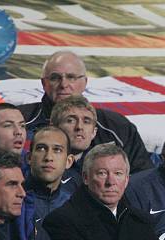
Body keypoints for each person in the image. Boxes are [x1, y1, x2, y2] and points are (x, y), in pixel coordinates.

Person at [44, 144, 160, 240]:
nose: (110, 181)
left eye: (118, 173)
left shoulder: (141, 221)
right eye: (102, 173)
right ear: (85, 178)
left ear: (126, 180)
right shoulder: (62, 221)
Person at [18, 50, 152, 173]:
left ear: (85, 82)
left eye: (71, 77)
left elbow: (142, 176)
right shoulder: (20, 120)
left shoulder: (115, 126)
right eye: (55, 78)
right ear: (43, 83)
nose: (64, 84)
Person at [23, 126, 77, 222]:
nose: (48, 157)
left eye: (57, 150)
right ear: (29, 158)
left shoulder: (75, 206)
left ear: (68, 161)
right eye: (41, 148)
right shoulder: (14, 200)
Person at [49, 95, 97, 186]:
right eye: (70, 120)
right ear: (53, 127)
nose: (79, 127)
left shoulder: (102, 166)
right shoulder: (39, 163)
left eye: (86, 122)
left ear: (94, 132)